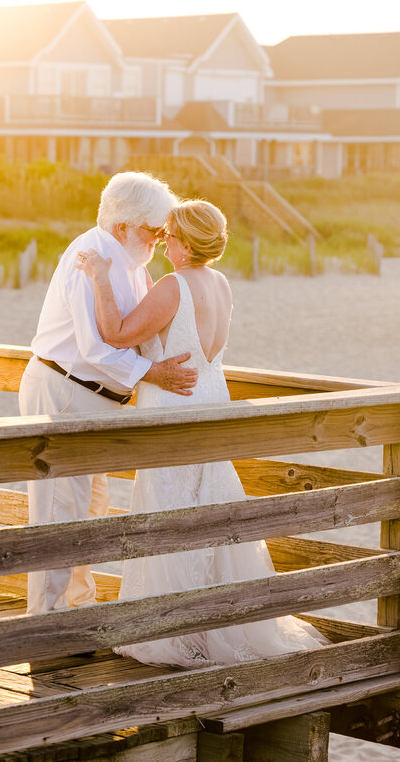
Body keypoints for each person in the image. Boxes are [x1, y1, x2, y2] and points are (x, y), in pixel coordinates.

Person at [75, 199, 326, 668]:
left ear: (185, 244)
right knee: (205, 513)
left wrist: (98, 275)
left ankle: (170, 627)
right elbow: (178, 327)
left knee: (168, 513)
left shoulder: (173, 286)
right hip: (211, 401)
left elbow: (114, 333)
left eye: (169, 234)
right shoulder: (220, 284)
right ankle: (208, 618)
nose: (163, 239)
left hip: (175, 409)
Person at [20, 172, 199, 615]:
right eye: (152, 230)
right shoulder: (90, 257)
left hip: (96, 401)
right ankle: (43, 625)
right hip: (66, 391)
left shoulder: (131, 263)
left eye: (162, 232)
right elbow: (95, 348)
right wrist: (152, 373)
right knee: (60, 515)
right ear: (123, 227)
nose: (159, 239)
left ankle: (76, 613)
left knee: (91, 509)